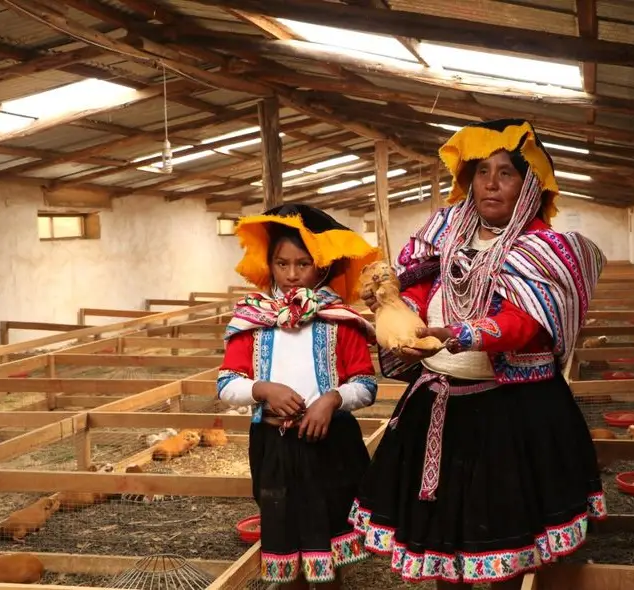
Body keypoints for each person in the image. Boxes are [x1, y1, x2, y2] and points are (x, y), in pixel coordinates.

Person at [348, 119, 608, 589]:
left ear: (529, 185)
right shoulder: (444, 234)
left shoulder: (545, 250)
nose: (490, 182)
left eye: (506, 172)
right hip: (438, 403)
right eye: (482, 170)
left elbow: (529, 323)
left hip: (513, 411)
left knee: (506, 532)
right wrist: (395, 312)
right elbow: (418, 284)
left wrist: (465, 333)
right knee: (443, 533)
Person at [217, 203, 380, 589]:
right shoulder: (252, 319)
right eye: (281, 263)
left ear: (321, 265)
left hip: (331, 448)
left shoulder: (339, 319)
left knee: (328, 548)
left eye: (302, 264)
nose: (291, 275)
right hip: (274, 447)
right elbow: (226, 384)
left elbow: (366, 384)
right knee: (286, 542)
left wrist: (332, 400)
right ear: (268, 264)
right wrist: (262, 389)